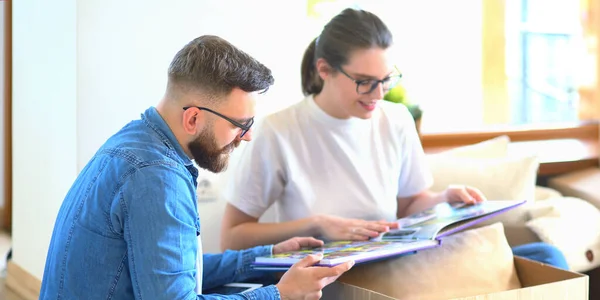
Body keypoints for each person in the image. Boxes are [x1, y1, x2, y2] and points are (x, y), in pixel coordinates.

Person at [23, 35, 360, 300]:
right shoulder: (155, 178)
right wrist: (278, 298)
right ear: (194, 118)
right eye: (241, 124)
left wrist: (261, 258)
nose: (247, 136)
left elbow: (176, 274)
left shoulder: (136, 147)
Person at [220, 8, 569, 270]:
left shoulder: (396, 119)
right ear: (324, 69)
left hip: (395, 257)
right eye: (364, 81)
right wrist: (318, 224)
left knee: (547, 257)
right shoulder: (280, 131)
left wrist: (443, 200)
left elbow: (408, 204)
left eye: (386, 79)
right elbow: (232, 237)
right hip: (334, 275)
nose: (378, 93)